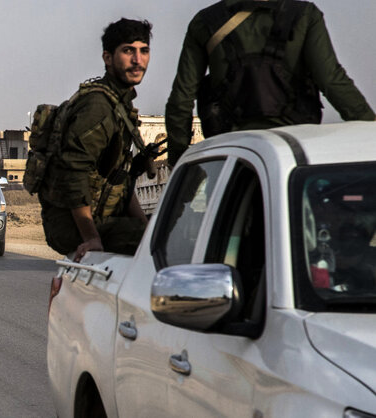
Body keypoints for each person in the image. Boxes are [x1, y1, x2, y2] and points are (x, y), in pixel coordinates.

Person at [166, 0, 375, 167]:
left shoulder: (205, 22)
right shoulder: (305, 15)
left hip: (231, 156)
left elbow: (181, 100)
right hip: (294, 150)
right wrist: (370, 134)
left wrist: (179, 162)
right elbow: (332, 81)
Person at [39, 18, 152, 262]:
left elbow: (121, 177)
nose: (137, 60)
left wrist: (145, 226)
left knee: (159, 233)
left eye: (144, 51)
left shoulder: (119, 103)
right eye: (128, 51)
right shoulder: (98, 106)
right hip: (72, 226)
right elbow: (73, 171)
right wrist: (91, 237)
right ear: (108, 58)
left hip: (99, 217)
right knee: (174, 244)